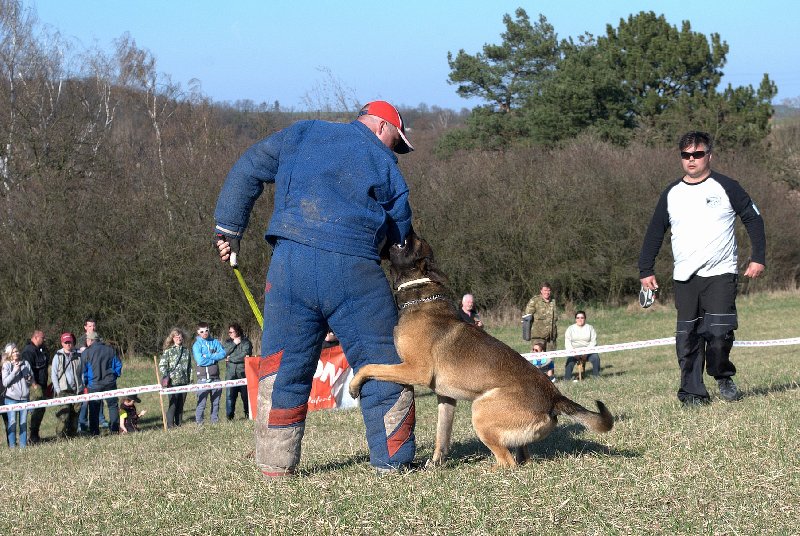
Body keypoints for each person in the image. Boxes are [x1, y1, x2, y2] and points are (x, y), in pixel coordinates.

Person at [213, 100, 417, 476]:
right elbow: (400, 227)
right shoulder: (381, 157)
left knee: (282, 370)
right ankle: (394, 464)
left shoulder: (302, 132)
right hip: (355, 270)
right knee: (384, 366)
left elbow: (247, 168)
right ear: (380, 127)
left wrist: (228, 230)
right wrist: (399, 258)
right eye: (396, 142)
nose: (395, 152)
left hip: (291, 265)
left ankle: (275, 468)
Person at [639, 131, 766, 406]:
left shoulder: (727, 186)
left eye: (697, 154)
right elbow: (654, 233)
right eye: (686, 155)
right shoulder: (672, 193)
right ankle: (692, 393)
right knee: (688, 338)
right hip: (685, 277)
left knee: (719, 334)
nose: (691, 160)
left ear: (709, 155)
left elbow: (754, 220)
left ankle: (722, 374)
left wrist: (758, 257)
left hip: (721, 273)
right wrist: (645, 270)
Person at [82, 332, 122, 434]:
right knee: (112, 406)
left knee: (94, 408)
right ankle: (115, 430)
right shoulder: (110, 349)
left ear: (90, 340)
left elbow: (84, 371)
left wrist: (86, 383)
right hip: (110, 383)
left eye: (87, 340)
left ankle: (94, 432)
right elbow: (118, 364)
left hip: (94, 385)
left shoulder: (86, 353)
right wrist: (114, 375)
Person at [50, 333, 84, 438]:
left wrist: (82, 386)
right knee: (63, 417)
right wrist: (58, 389)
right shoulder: (57, 356)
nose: (68, 344)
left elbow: (82, 372)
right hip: (63, 391)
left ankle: (72, 437)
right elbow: (54, 375)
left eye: (70, 342)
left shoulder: (78, 355)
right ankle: (60, 438)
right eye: (66, 342)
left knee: (75, 416)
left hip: (77, 391)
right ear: (62, 343)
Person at [158, 328, 193, 428]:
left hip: (184, 382)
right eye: (176, 336)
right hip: (172, 383)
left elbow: (189, 367)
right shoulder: (168, 351)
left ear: (182, 337)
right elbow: (162, 365)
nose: (178, 338)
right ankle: (170, 425)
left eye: (180, 336)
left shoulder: (186, 351)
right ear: (172, 338)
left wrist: (190, 380)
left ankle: (179, 424)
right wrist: (167, 376)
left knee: (180, 405)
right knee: (173, 404)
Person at [192, 322, 226, 424]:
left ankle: (214, 422)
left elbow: (223, 354)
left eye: (206, 330)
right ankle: (199, 423)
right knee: (201, 403)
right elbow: (200, 361)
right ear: (198, 332)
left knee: (216, 403)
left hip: (216, 378)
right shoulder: (196, 345)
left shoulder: (215, 342)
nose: (204, 333)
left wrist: (209, 356)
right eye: (201, 331)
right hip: (202, 379)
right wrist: (214, 358)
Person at [77, 318, 107, 431]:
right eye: (90, 326)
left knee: (100, 397)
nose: (92, 328)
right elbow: (83, 354)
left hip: (99, 372)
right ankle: (82, 423)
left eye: (94, 326)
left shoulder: (100, 338)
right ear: (85, 327)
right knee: (85, 400)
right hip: (85, 372)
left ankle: (101, 419)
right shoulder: (81, 340)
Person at [2, 343, 33, 448]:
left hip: (24, 398)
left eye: (17, 351)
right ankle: (12, 446)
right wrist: (14, 371)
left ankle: (23, 447)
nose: (16, 353)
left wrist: (28, 378)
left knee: (23, 423)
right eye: (14, 352)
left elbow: (31, 381)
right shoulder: (7, 365)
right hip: (11, 399)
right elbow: (5, 382)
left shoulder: (26, 363)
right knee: (12, 423)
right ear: (10, 354)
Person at [21, 329, 49, 444]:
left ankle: (35, 435)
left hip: (42, 385)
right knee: (35, 411)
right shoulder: (29, 351)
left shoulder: (40, 350)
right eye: (42, 338)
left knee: (41, 410)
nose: (44, 340)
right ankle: (32, 437)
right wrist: (34, 384)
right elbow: (27, 370)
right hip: (34, 387)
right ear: (36, 337)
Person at [223, 323, 251, 420]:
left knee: (246, 397)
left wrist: (230, 359)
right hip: (230, 375)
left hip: (243, 374)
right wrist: (234, 343)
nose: (229, 333)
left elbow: (245, 355)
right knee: (230, 398)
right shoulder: (227, 342)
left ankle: (248, 415)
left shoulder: (246, 342)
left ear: (237, 331)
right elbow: (223, 353)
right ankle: (229, 417)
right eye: (229, 332)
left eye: (231, 332)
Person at [564, 311, 601, 381]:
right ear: (575, 319)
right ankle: (566, 379)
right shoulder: (570, 329)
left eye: (582, 318)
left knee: (596, 358)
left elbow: (593, 341)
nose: (580, 319)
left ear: (585, 319)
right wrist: (574, 354)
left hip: (588, 351)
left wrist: (586, 353)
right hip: (574, 351)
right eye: (578, 318)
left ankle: (596, 378)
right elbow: (567, 343)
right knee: (569, 361)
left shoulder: (590, 328)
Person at [522, 283, 558, 351]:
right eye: (545, 290)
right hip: (538, 338)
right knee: (537, 360)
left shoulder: (553, 301)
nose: (547, 292)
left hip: (551, 339)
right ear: (541, 291)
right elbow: (527, 318)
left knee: (550, 360)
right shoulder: (535, 301)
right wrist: (526, 335)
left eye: (548, 290)